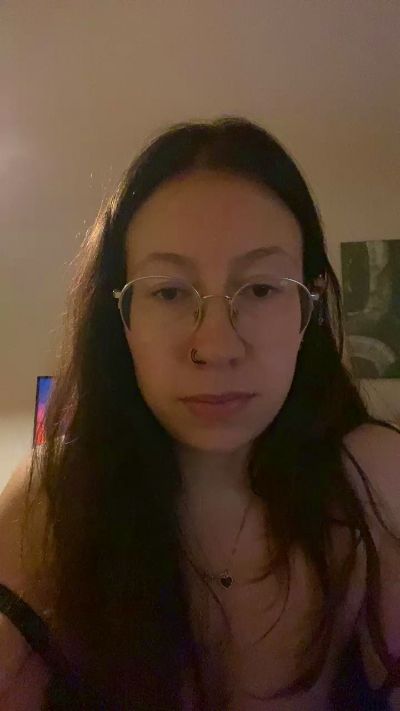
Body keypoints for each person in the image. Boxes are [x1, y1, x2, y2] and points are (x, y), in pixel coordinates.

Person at [1, 116, 400, 710]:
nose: (215, 346)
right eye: (168, 291)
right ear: (122, 320)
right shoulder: (49, 505)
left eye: (261, 289)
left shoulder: (378, 481)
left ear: (308, 310)